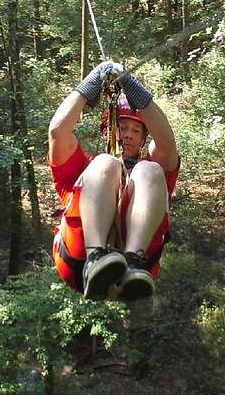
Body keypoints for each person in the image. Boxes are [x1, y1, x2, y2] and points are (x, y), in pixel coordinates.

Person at [48, 61, 180, 301]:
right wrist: (89, 85)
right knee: (106, 163)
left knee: (149, 169)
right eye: (121, 126)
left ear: (142, 140)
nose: (128, 133)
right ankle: (95, 258)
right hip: (77, 259)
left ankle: (132, 258)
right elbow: (58, 132)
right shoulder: (80, 167)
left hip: (140, 268)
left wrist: (132, 87)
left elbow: (167, 144)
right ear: (107, 130)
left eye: (136, 130)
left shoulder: (152, 175)